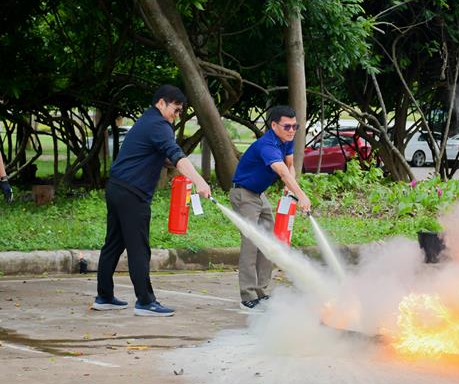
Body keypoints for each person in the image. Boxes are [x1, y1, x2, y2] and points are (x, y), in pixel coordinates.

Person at [93, 84, 211, 317]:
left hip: (117, 188)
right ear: (161, 103)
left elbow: (158, 154)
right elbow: (175, 154)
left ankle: (104, 296)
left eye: (179, 111)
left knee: (114, 244)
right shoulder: (159, 124)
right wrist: (200, 181)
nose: (176, 115)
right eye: (175, 110)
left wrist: (176, 167)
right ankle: (145, 302)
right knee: (139, 248)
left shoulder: (147, 121)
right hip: (132, 194)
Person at [230, 105, 311, 310]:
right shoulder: (267, 145)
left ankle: (261, 291)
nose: (292, 130)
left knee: (268, 241)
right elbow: (281, 171)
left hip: (259, 194)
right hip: (244, 194)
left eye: (295, 126)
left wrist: (290, 185)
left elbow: (289, 166)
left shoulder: (286, 142)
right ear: (274, 125)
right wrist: (300, 195)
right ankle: (248, 296)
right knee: (251, 244)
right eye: (287, 126)